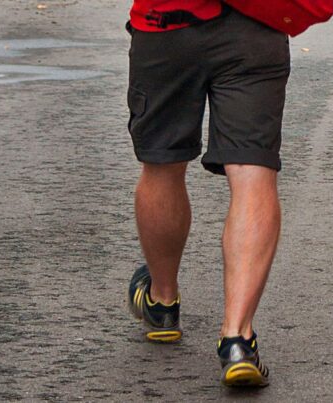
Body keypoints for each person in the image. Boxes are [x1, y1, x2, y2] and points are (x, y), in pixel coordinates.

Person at [124, 0, 290, 387]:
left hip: (166, 24)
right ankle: (237, 339)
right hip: (256, 26)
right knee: (252, 173)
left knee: (162, 165)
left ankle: (162, 301)